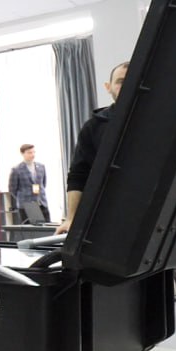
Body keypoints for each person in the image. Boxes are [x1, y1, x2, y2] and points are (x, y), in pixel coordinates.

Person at [55, 62, 128, 235]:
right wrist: (71, 218)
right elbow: (78, 175)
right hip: (108, 216)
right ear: (108, 87)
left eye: (132, 80)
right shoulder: (93, 127)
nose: (126, 85)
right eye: (120, 81)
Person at [8, 144, 49, 222]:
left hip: (42, 202)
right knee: (30, 228)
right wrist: (24, 197)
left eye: (34, 152)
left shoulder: (41, 167)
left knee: (47, 226)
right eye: (29, 152)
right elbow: (12, 189)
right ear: (22, 153)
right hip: (26, 205)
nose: (32, 155)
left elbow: (44, 184)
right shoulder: (16, 169)